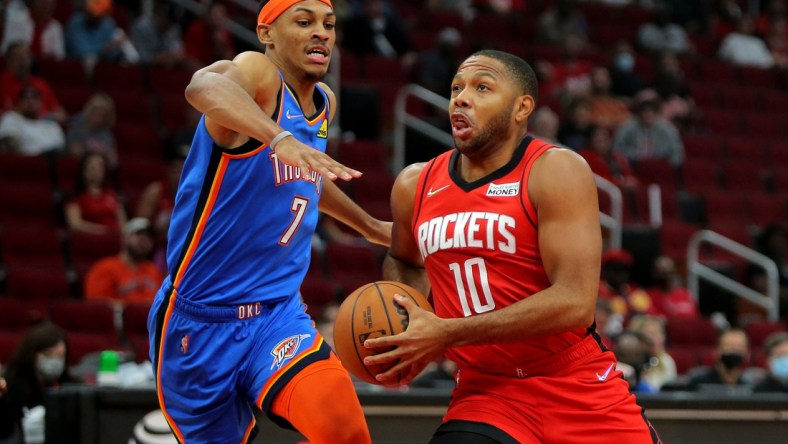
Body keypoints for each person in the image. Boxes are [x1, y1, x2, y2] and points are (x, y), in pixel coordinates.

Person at [364, 49, 660, 443]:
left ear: (522, 108)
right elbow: (405, 261)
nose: (461, 97)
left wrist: (446, 332)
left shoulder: (555, 170)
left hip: (575, 383)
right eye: (456, 88)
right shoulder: (414, 184)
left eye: (481, 87)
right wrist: (407, 322)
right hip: (487, 392)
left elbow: (574, 302)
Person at [147, 1, 390, 442]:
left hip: (276, 317)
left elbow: (305, 177)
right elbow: (200, 87)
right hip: (199, 324)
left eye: (329, 25)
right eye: (304, 22)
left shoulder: (322, 102)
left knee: (345, 431)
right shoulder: (257, 74)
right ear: (266, 34)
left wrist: (372, 227)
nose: (321, 33)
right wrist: (276, 136)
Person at [0, 322, 71, 444]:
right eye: (49, 354)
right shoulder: (10, 384)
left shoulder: (69, 385)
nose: (55, 361)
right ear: (32, 353)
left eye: (60, 356)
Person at [84, 217, 164, 305]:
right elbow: (97, 305)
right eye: (139, 235)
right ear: (125, 238)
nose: (144, 240)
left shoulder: (154, 270)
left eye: (149, 237)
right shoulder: (104, 268)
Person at [64, 151, 126, 235]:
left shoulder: (112, 195)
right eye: (91, 166)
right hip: (90, 240)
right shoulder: (74, 197)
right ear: (83, 169)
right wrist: (103, 231)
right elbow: (75, 224)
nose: (95, 170)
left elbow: (123, 224)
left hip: (115, 239)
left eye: (99, 166)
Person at [0, 85, 65, 155]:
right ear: (19, 103)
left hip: (51, 162)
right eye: (26, 98)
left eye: (35, 97)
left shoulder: (52, 125)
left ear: (41, 102)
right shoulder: (12, 118)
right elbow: (9, 146)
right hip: (25, 162)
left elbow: (61, 149)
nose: (30, 101)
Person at [686, 328, 758, 391]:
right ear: (717, 351)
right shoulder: (698, 383)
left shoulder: (752, 387)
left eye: (739, 347)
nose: (733, 350)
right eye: (728, 345)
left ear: (747, 353)